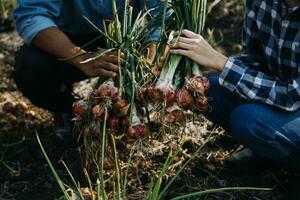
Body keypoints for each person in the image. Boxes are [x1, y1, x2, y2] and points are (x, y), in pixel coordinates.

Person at [170, 0, 300, 171]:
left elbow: (291, 95)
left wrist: (221, 63)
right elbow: (254, 60)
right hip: (280, 95)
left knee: (248, 120)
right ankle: (267, 152)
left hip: (293, 100)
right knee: (211, 90)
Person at [13, 1, 164, 140]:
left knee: (174, 46)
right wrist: (81, 57)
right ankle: (74, 111)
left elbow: (161, 15)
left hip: (132, 38)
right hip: (68, 39)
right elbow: (31, 14)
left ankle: (127, 115)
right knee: (31, 67)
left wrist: (146, 62)